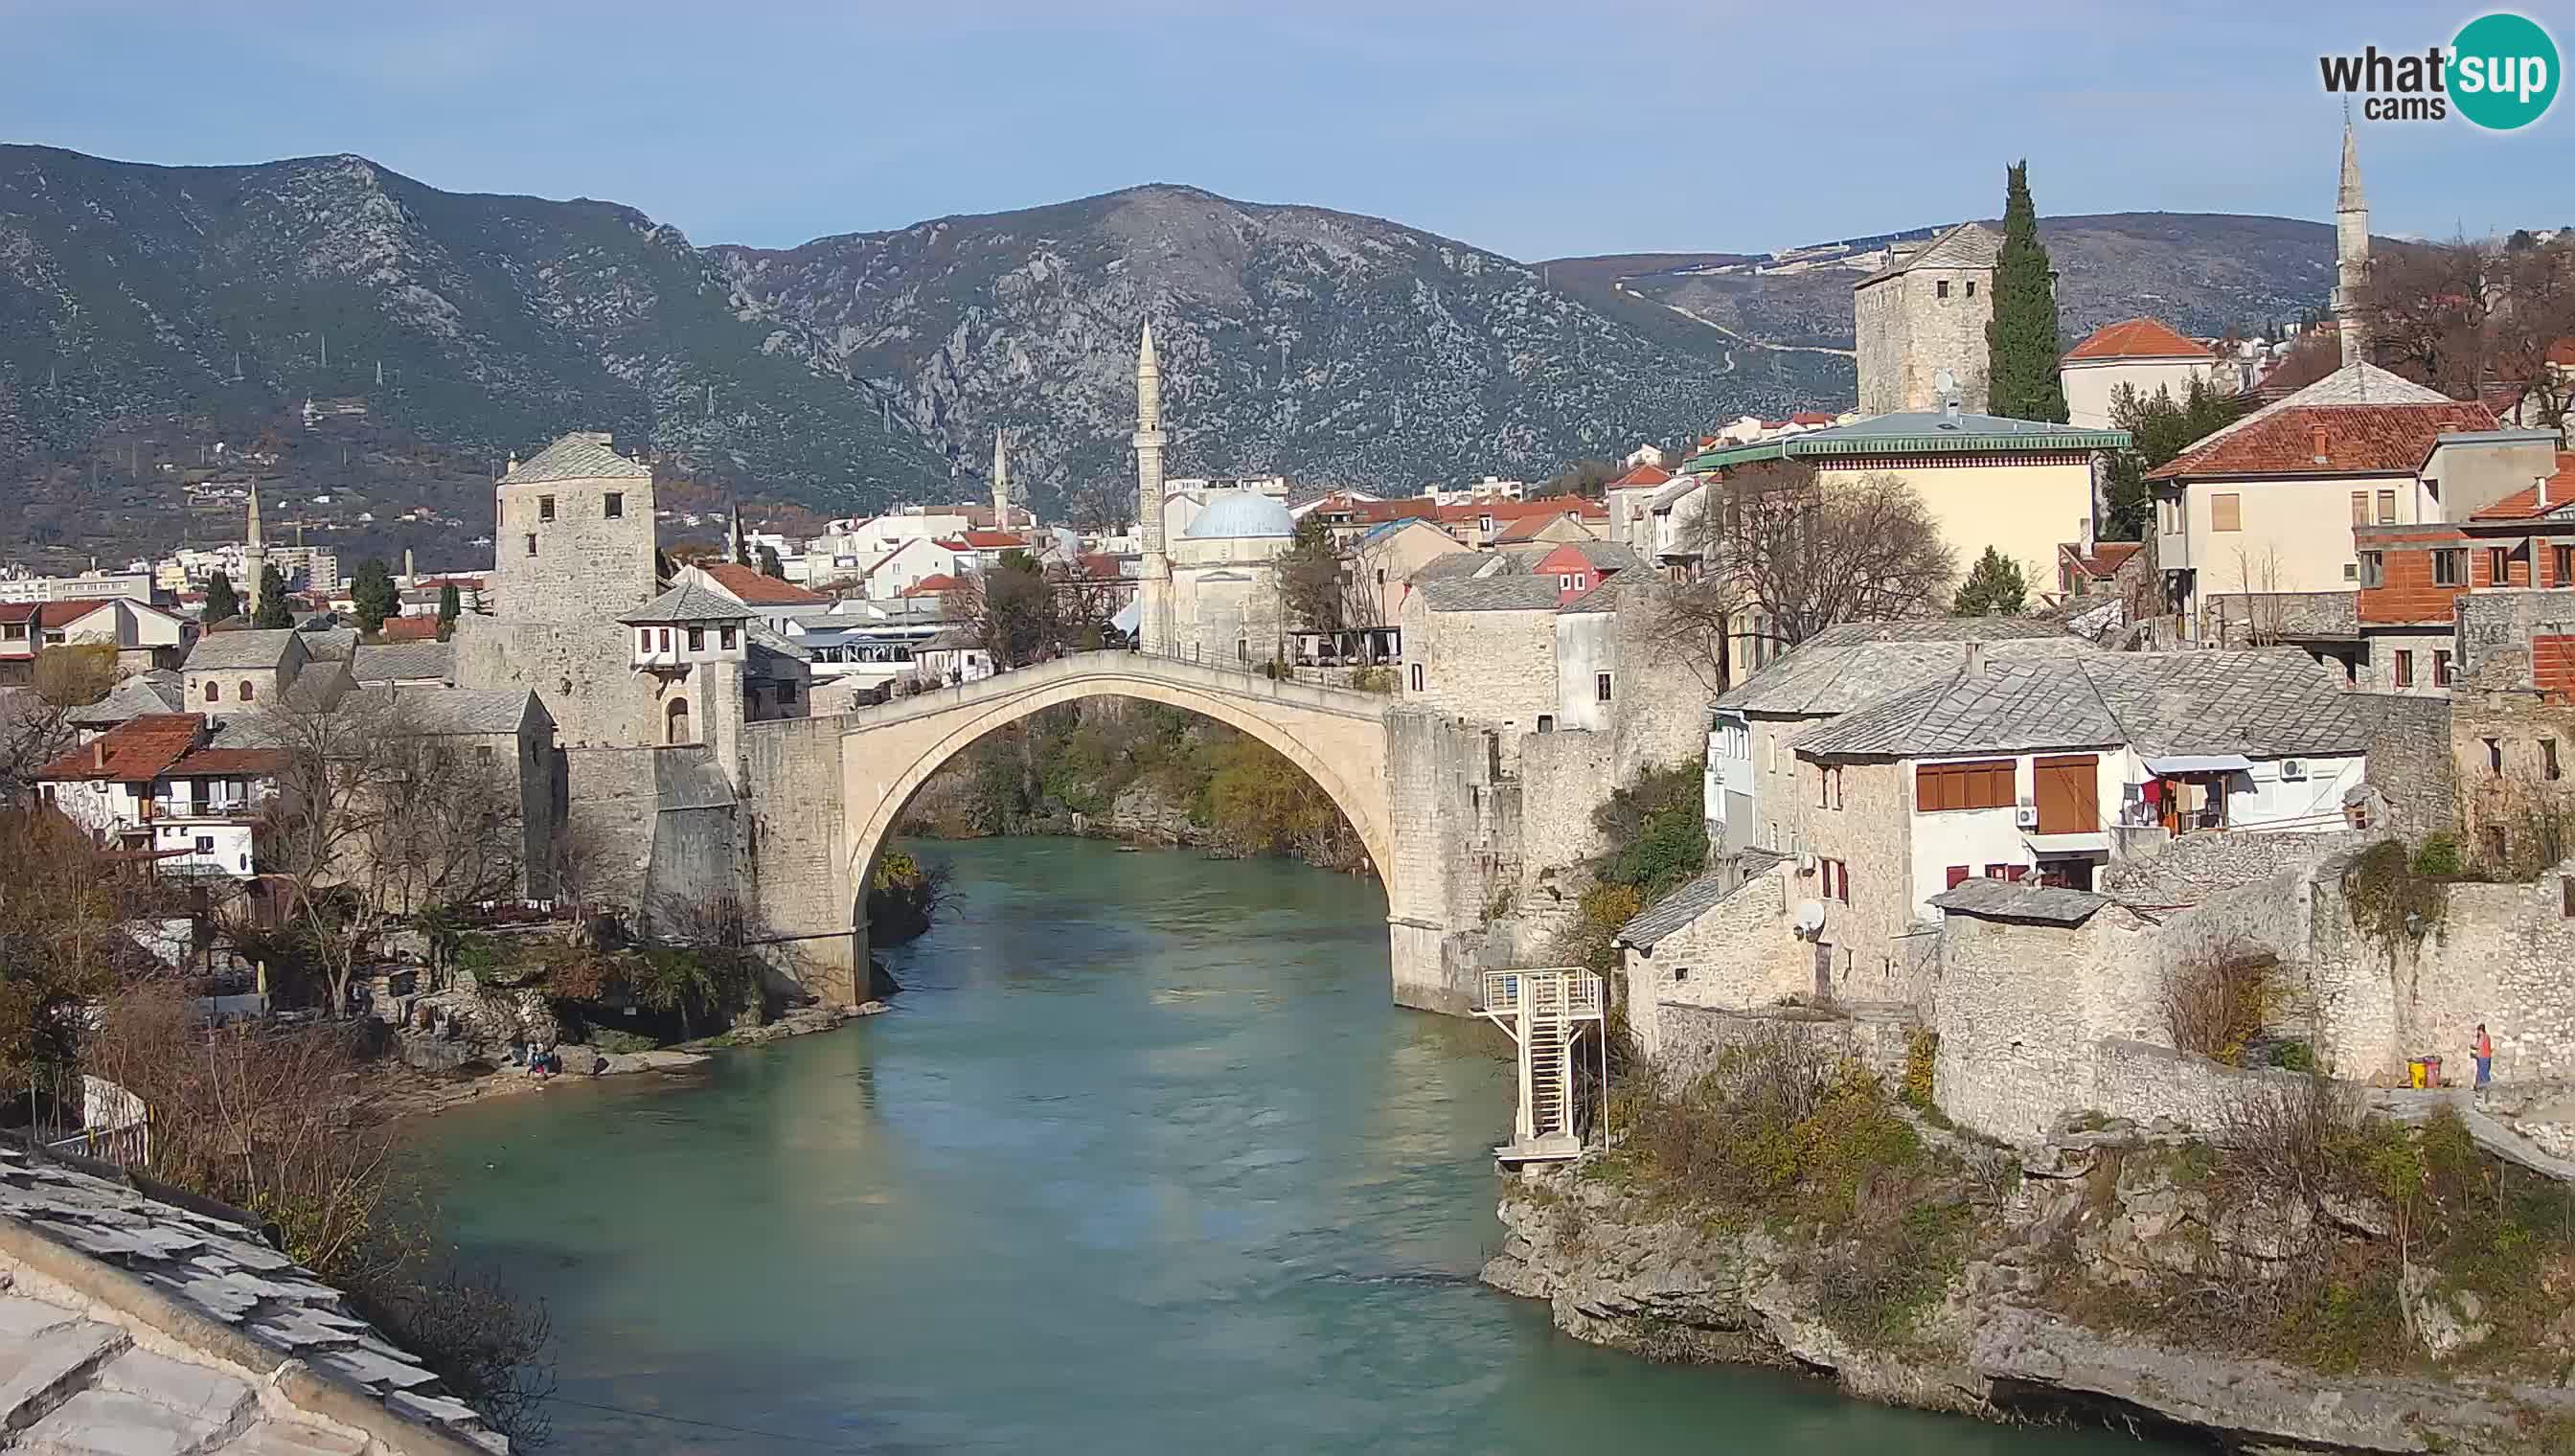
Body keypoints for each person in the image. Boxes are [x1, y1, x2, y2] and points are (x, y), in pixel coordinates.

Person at [2473, 1023, 2494, 1090]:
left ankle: (2486, 1088)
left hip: (2483, 1057)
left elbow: (2478, 1046)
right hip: (2486, 1056)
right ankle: (2479, 1087)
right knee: (2482, 1072)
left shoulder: (2482, 1037)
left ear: (2480, 1030)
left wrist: (2472, 1046)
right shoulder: (2487, 1036)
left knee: (2483, 1073)